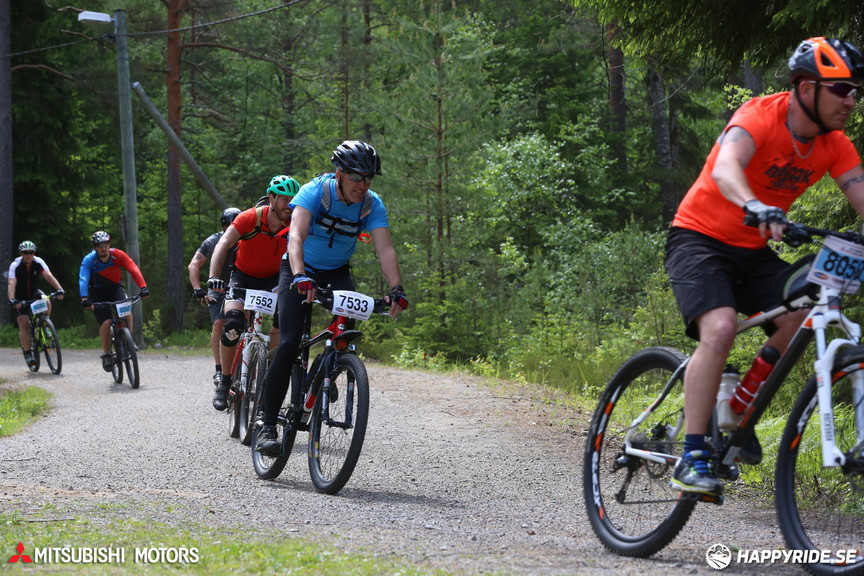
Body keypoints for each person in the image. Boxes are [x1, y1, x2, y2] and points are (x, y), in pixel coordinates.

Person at [665, 37, 864, 496]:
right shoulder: (759, 115)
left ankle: (738, 405)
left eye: (856, 90)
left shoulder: (834, 145)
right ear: (806, 87)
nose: (852, 99)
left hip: (752, 250)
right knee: (718, 329)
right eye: (843, 89)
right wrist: (755, 204)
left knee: (800, 311)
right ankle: (691, 454)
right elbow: (726, 168)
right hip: (699, 238)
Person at [256, 140, 409, 454]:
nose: (362, 185)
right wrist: (299, 275)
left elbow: (385, 249)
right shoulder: (316, 191)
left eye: (368, 179)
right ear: (339, 174)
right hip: (299, 267)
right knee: (287, 343)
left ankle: (331, 370)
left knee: (344, 336)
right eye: (356, 177)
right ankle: (266, 423)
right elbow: (295, 237)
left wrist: (396, 288)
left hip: (338, 271)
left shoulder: (371, 204)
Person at [207, 175, 299, 411]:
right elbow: (223, 244)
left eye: (293, 201)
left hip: (276, 279)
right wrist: (214, 277)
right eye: (284, 200)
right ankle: (225, 380)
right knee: (233, 325)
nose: (289, 206)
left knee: (283, 323)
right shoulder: (250, 218)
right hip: (242, 276)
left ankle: (272, 371)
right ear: (271, 198)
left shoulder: (295, 222)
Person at [79, 231, 150, 371]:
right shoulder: (89, 260)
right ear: (95, 247)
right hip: (97, 292)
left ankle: (127, 340)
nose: (103, 248)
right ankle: (106, 354)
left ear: (109, 245)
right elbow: (83, 278)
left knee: (125, 309)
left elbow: (133, 268)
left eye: (105, 245)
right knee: (106, 322)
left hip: (115, 288)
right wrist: (85, 298)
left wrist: (143, 287)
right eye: (99, 246)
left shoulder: (118, 255)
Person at [188, 207, 242, 386]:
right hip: (218, 287)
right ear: (223, 226)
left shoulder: (247, 239)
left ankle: (246, 366)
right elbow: (194, 264)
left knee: (246, 325)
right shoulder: (213, 240)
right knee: (219, 323)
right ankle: (219, 369)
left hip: (241, 285)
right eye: (228, 226)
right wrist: (197, 289)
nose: (231, 230)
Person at [7, 240, 66, 370]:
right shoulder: (15, 265)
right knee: (23, 322)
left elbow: (48, 275)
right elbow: (11, 283)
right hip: (20, 296)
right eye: (25, 253)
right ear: (20, 253)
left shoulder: (38, 261)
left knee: (47, 301)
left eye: (31, 252)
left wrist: (59, 289)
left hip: (33, 293)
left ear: (34, 252)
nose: (28, 255)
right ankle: (28, 353)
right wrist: (12, 299)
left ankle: (45, 324)